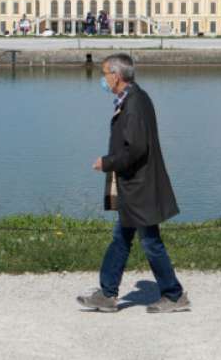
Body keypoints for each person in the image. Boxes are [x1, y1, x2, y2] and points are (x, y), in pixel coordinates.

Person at [77, 53, 190, 314]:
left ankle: (173, 295)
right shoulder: (133, 99)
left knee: (150, 242)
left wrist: (107, 162)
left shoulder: (135, 103)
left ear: (116, 76)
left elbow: (136, 148)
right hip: (134, 185)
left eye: (105, 73)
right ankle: (107, 293)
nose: (103, 79)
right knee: (122, 238)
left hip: (141, 187)